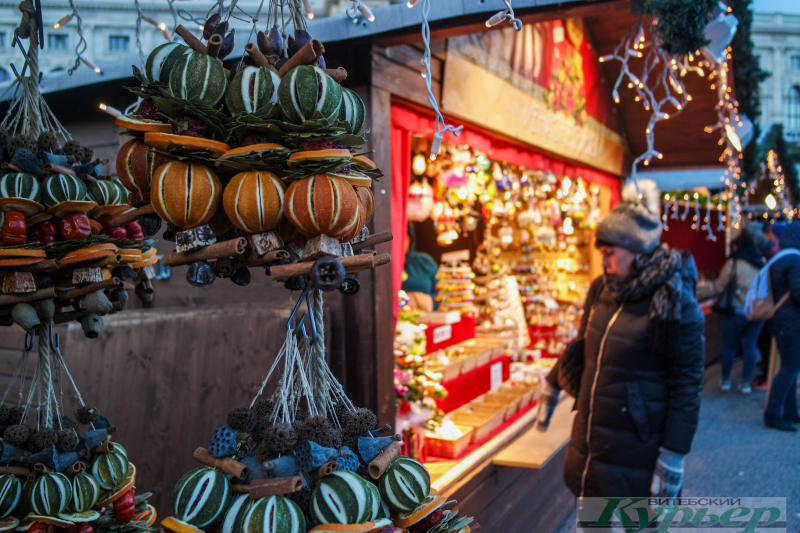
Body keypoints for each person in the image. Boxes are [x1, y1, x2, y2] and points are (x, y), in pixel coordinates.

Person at [537, 179, 705, 498]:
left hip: (639, 450)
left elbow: (687, 386)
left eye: (611, 253)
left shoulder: (674, 301)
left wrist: (673, 456)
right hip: (590, 443)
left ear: (638, 251)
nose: (604, 262)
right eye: (602, 253)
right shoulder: (602, 289)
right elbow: (584, 344)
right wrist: (553, 381)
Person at [710, 223, 765, 393]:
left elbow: (720, 287)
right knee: (750, 346)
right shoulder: (761, 262)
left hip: (736, 311)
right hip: (756, 312)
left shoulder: (734, 263)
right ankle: (746, 383)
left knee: (729, 347)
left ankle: (726, 381)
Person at [763, 221, 800, 432]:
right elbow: (798, 290)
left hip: (781, 320)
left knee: (791, 366)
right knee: (790, 367)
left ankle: (790, 412)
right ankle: (773, 413)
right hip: (790, 321)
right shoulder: (794, 259)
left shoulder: (781, 256)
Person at [402, 224, 438, 312]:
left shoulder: (425, 261)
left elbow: (441, 294)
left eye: (402, 236)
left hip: (427, 319)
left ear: (410, 239)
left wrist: (424, 301)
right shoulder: (382, 266)